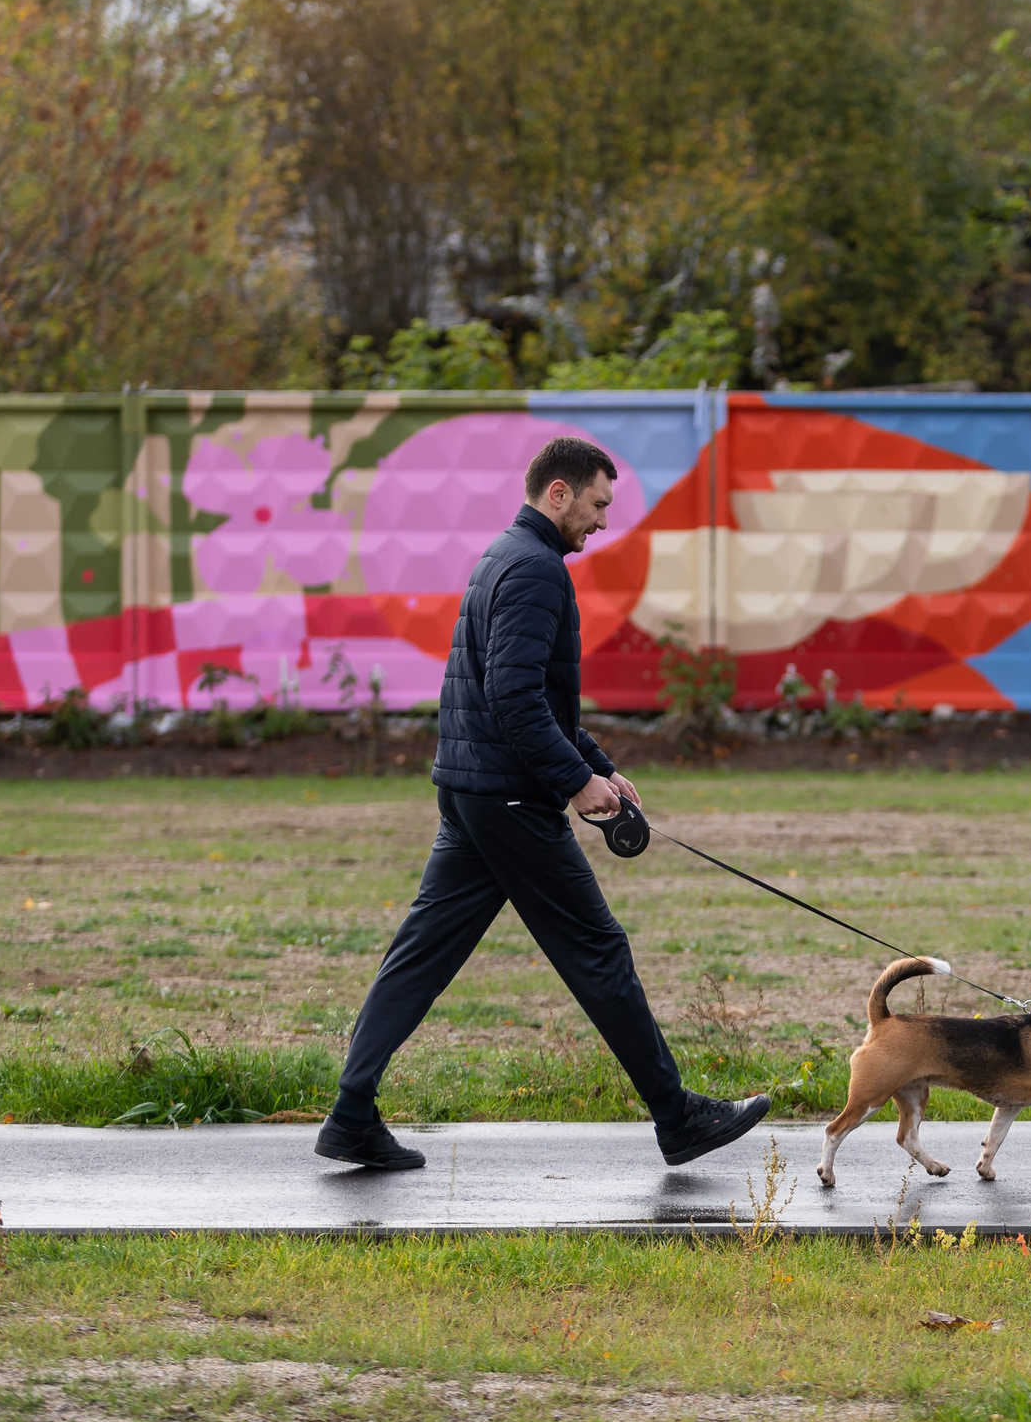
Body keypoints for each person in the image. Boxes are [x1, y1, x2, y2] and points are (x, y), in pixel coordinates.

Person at [314, 436, 771, 1171]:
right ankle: (677, 1117)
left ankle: (350, 1115)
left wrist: (600, 769)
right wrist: (572, 783)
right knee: (598, 950)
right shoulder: (533, 572)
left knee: (420, 956)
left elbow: (535, 699)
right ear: (556, 493)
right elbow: (515, 699)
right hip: (509, 800)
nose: (600, 523)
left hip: (470, 791)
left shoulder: (504, 556)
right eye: (595, 506)